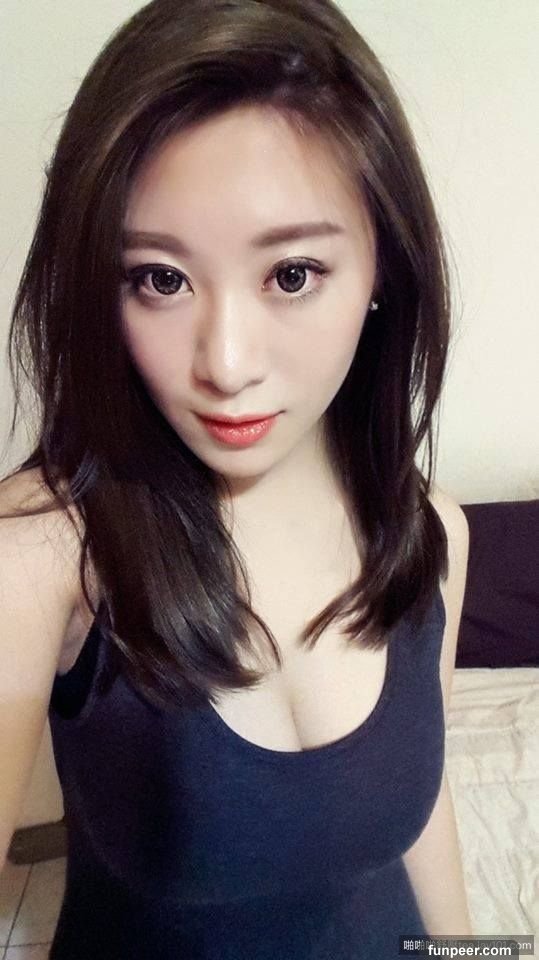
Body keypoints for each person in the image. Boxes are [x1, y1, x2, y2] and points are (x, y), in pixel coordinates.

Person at [0, 0, 473, 956]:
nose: (223, 364)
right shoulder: (42, 553)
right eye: (160, 279)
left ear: (382, 268)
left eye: (291, 274)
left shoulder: (431, 537)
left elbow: (418, 811)